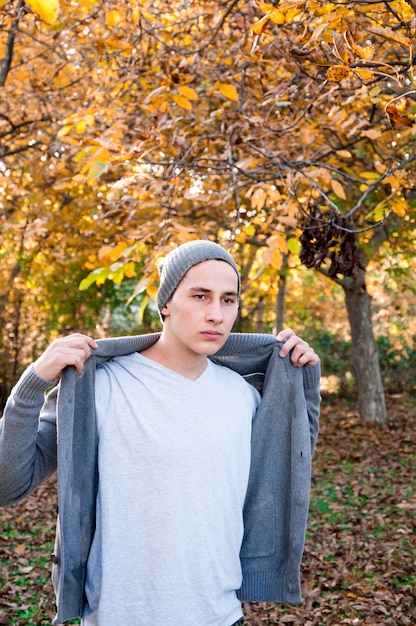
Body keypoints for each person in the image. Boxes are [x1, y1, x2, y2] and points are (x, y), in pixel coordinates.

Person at [0, 240, 320, 626]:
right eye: (200, 296)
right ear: (166, 302)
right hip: (120, 615)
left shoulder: (244, 397)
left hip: (219, 616)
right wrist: (32, 385)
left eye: (228, 300)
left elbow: (291, 468)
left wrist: (305, 384)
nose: (216, 314)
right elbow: (8, 485)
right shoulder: (100, 387)